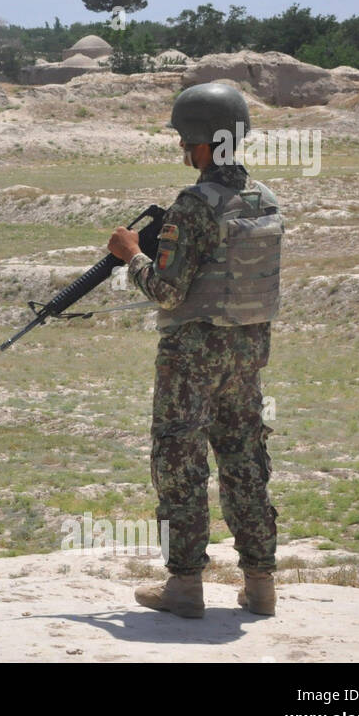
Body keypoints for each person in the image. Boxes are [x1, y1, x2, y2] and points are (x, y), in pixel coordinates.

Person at [106, 82, 283, 618]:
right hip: (247, 352)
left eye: (187, 139)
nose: (183, 149)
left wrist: (132, 255)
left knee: (180, 462)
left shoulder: (194, 205)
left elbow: (167, 290)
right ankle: (260, 585)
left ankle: (184, 586)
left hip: (192, 358)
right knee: (245, 458)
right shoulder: (264, 199)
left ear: (204, 144)